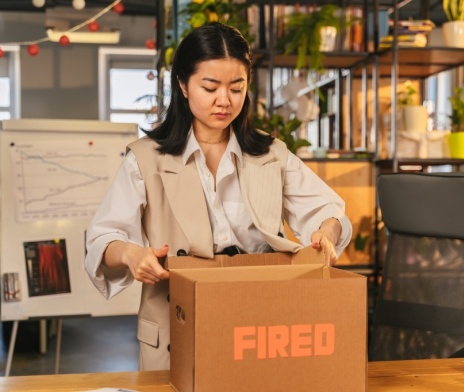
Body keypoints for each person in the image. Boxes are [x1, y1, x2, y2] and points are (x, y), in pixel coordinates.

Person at [85, 22, 352, 371]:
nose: (224, 101)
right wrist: (133, 254)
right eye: (210, 87)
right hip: (177, 321)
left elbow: (327, 211)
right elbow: (103, 237)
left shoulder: (270, 154)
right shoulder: (145, 158)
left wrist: (325, 233)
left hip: (263, 320)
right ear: (182, 85)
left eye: (236, 88)